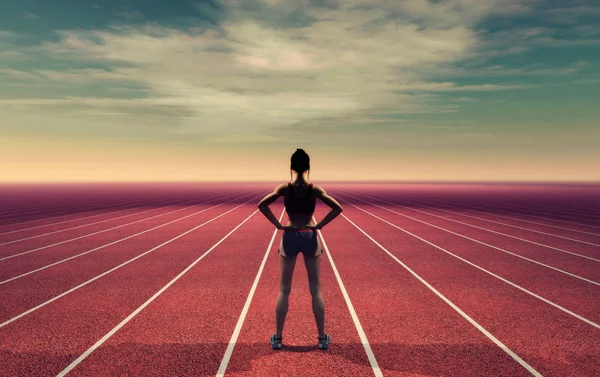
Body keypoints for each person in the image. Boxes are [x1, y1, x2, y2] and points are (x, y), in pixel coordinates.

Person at [257, 148, 343, 351]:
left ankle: (277, 339)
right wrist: (319, 225)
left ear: (291, 167)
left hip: (290, 235)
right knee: (315, 289)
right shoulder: (314, 189)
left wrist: (278, 225)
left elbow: (262, 205)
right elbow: (337, 208)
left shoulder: (285, 189)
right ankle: (322, 339)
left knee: (284, 290)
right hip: (309, 235)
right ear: (308, 167)